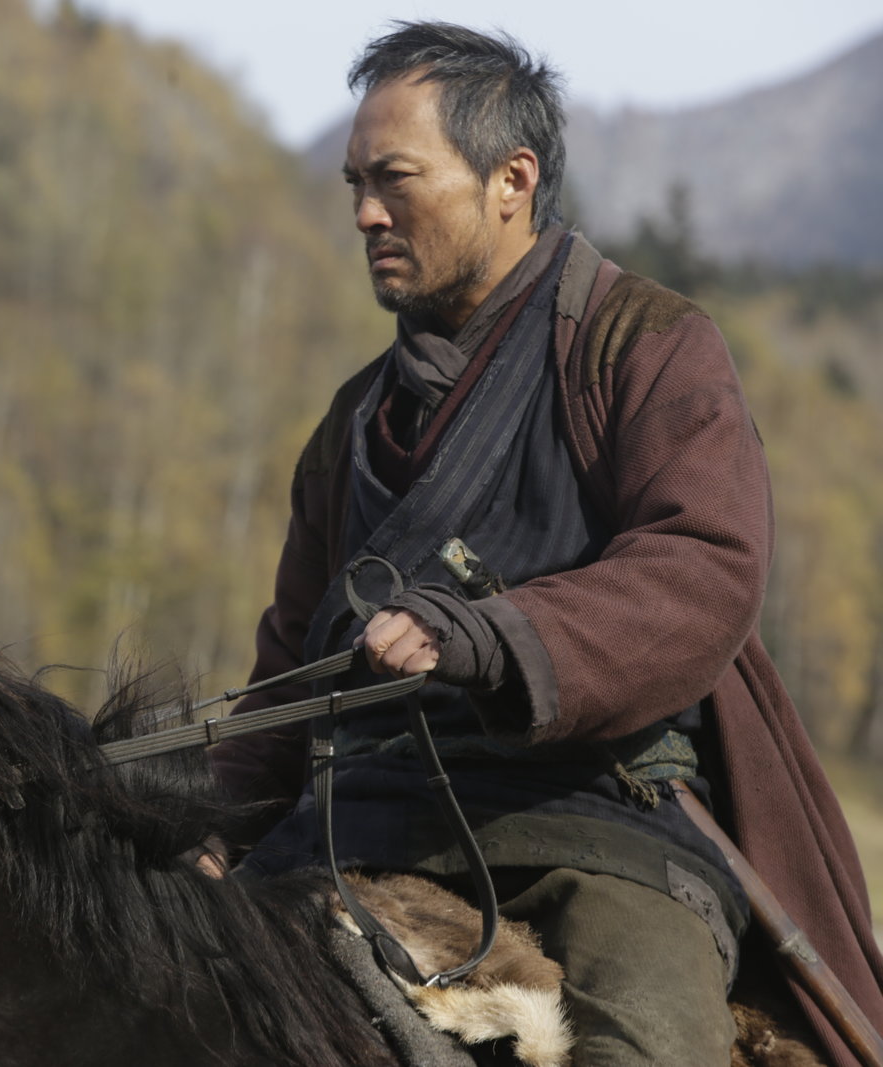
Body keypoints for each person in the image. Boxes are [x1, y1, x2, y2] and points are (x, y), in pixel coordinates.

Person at [209, 22, 883, 1066]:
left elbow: (703, 566)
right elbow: (289, 669)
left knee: (644, 1048)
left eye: (394, 180)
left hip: (602, 826)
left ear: (511, 180)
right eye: (354, 184)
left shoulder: (644, 345)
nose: (365, 213)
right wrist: (211, 828)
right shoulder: (352, 426)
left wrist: (489, 636)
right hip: (360, 825)